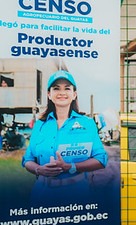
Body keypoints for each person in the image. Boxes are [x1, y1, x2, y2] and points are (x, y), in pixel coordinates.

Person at [22, 70, 108, 202]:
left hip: (77, 192)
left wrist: (71, 166)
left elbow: (101, 159)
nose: (62, 92)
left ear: (74, 94)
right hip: (42, 192)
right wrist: (39, 169)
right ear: (49, 95)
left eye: (67, 88)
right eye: (56, 88)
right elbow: (27, 160)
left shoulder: (87, 123)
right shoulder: (40, 124)